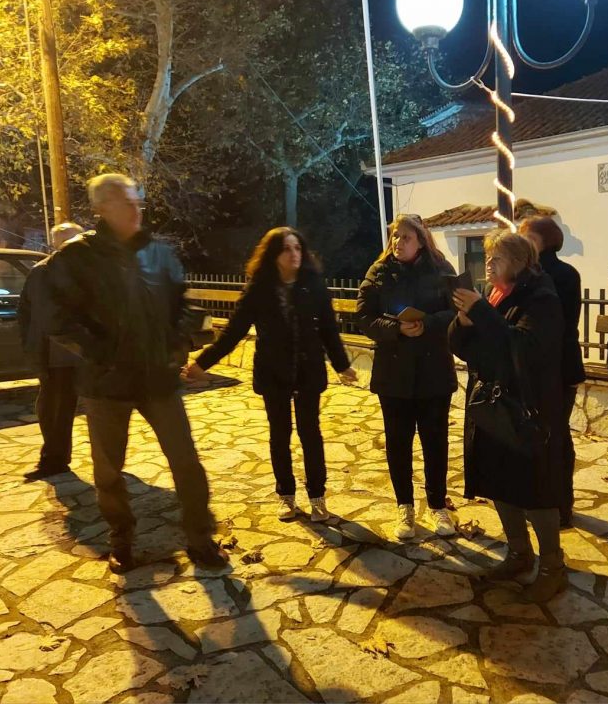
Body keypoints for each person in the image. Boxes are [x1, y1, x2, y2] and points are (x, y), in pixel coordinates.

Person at [47, 173, 226, 574]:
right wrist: (101, 354)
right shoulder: (77, 258)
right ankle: (122, 541)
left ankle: (200, 539)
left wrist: (177, 344)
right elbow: (57, 320)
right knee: (109, 470)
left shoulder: (158, 253)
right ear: (101, 208)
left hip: (157, 378)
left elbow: (182, 305)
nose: (135, 209)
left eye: (135, 201)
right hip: (106, 384)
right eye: (123, 201)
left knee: (186, 461)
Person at [184, 227, 357, 522]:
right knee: (280, 435)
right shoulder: (259, 289)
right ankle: (286, 496)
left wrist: (342, 365)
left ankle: (318, 497)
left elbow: (328, 329)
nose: (294, 254)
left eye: (297, 248)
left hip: (308, 371)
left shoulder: (313, 285)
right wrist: (203, 363)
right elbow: (234, 332)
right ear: (273, 255)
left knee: (311, 435)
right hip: (273, 372)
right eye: (287, 249)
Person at [450, 230, 568, 601]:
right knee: (499, 481)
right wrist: (463, 323)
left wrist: (481, 313)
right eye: (487, 256)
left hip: (526, 409)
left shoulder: (541, 299)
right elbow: (464, 348)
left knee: (535, 488)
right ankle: (519, 554)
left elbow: (525, 349)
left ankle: (552, 567)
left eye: (497, 258)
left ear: (518, 263)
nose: (488, 263)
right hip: (493, 406)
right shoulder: (494, 296)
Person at [356, 214, 458, 540]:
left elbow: (455, 310)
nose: (398, 242)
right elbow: (364, 316)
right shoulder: (378, 271)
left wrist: (427, 324)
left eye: (406, 237)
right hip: (394, 373)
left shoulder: (441, 270)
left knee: (435, 443)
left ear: (421, 241)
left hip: (433, 372)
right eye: (395, 236)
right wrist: (396, 329)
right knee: (398, 443)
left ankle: (437, 505)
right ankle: (405, 506)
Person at [520, 216, 585, 528]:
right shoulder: (530, 274)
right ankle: (546, 501)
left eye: (526, 237)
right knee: (545, 436)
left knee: (555, 436)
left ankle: (560, 505)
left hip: (557, 369)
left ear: (542, 241)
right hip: (545, 368)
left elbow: (559, 324)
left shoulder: (558, 275)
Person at [19, 221, 85, 481]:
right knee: (54, 409)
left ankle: (108, 461)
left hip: (88, 353)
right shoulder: (43, 273)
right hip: (59, 357)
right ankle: (55, 459)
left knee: (104, 410)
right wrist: (32, 346)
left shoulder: (94, 271)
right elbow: (28, 313)